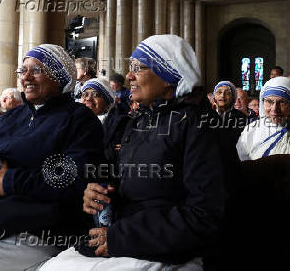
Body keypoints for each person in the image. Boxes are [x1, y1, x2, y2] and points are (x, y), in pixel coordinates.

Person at [40, 34, 227, 270]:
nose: (129, 76)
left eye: (138, 68)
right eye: (130, 68)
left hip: (168, 251)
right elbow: (127, 185)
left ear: (169, 76)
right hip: (124, 240)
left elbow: (205, 216)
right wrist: (97, 194)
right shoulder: (138, 122)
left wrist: (121, 237)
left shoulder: (199, 126)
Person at [0, 44, 105, 270]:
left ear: (59, 76)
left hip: (43, 228)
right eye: (23, 70)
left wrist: (9, 182)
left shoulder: (79, 119)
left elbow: (75, 181)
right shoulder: (12, 118)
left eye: (36, 70)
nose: (26, 77)